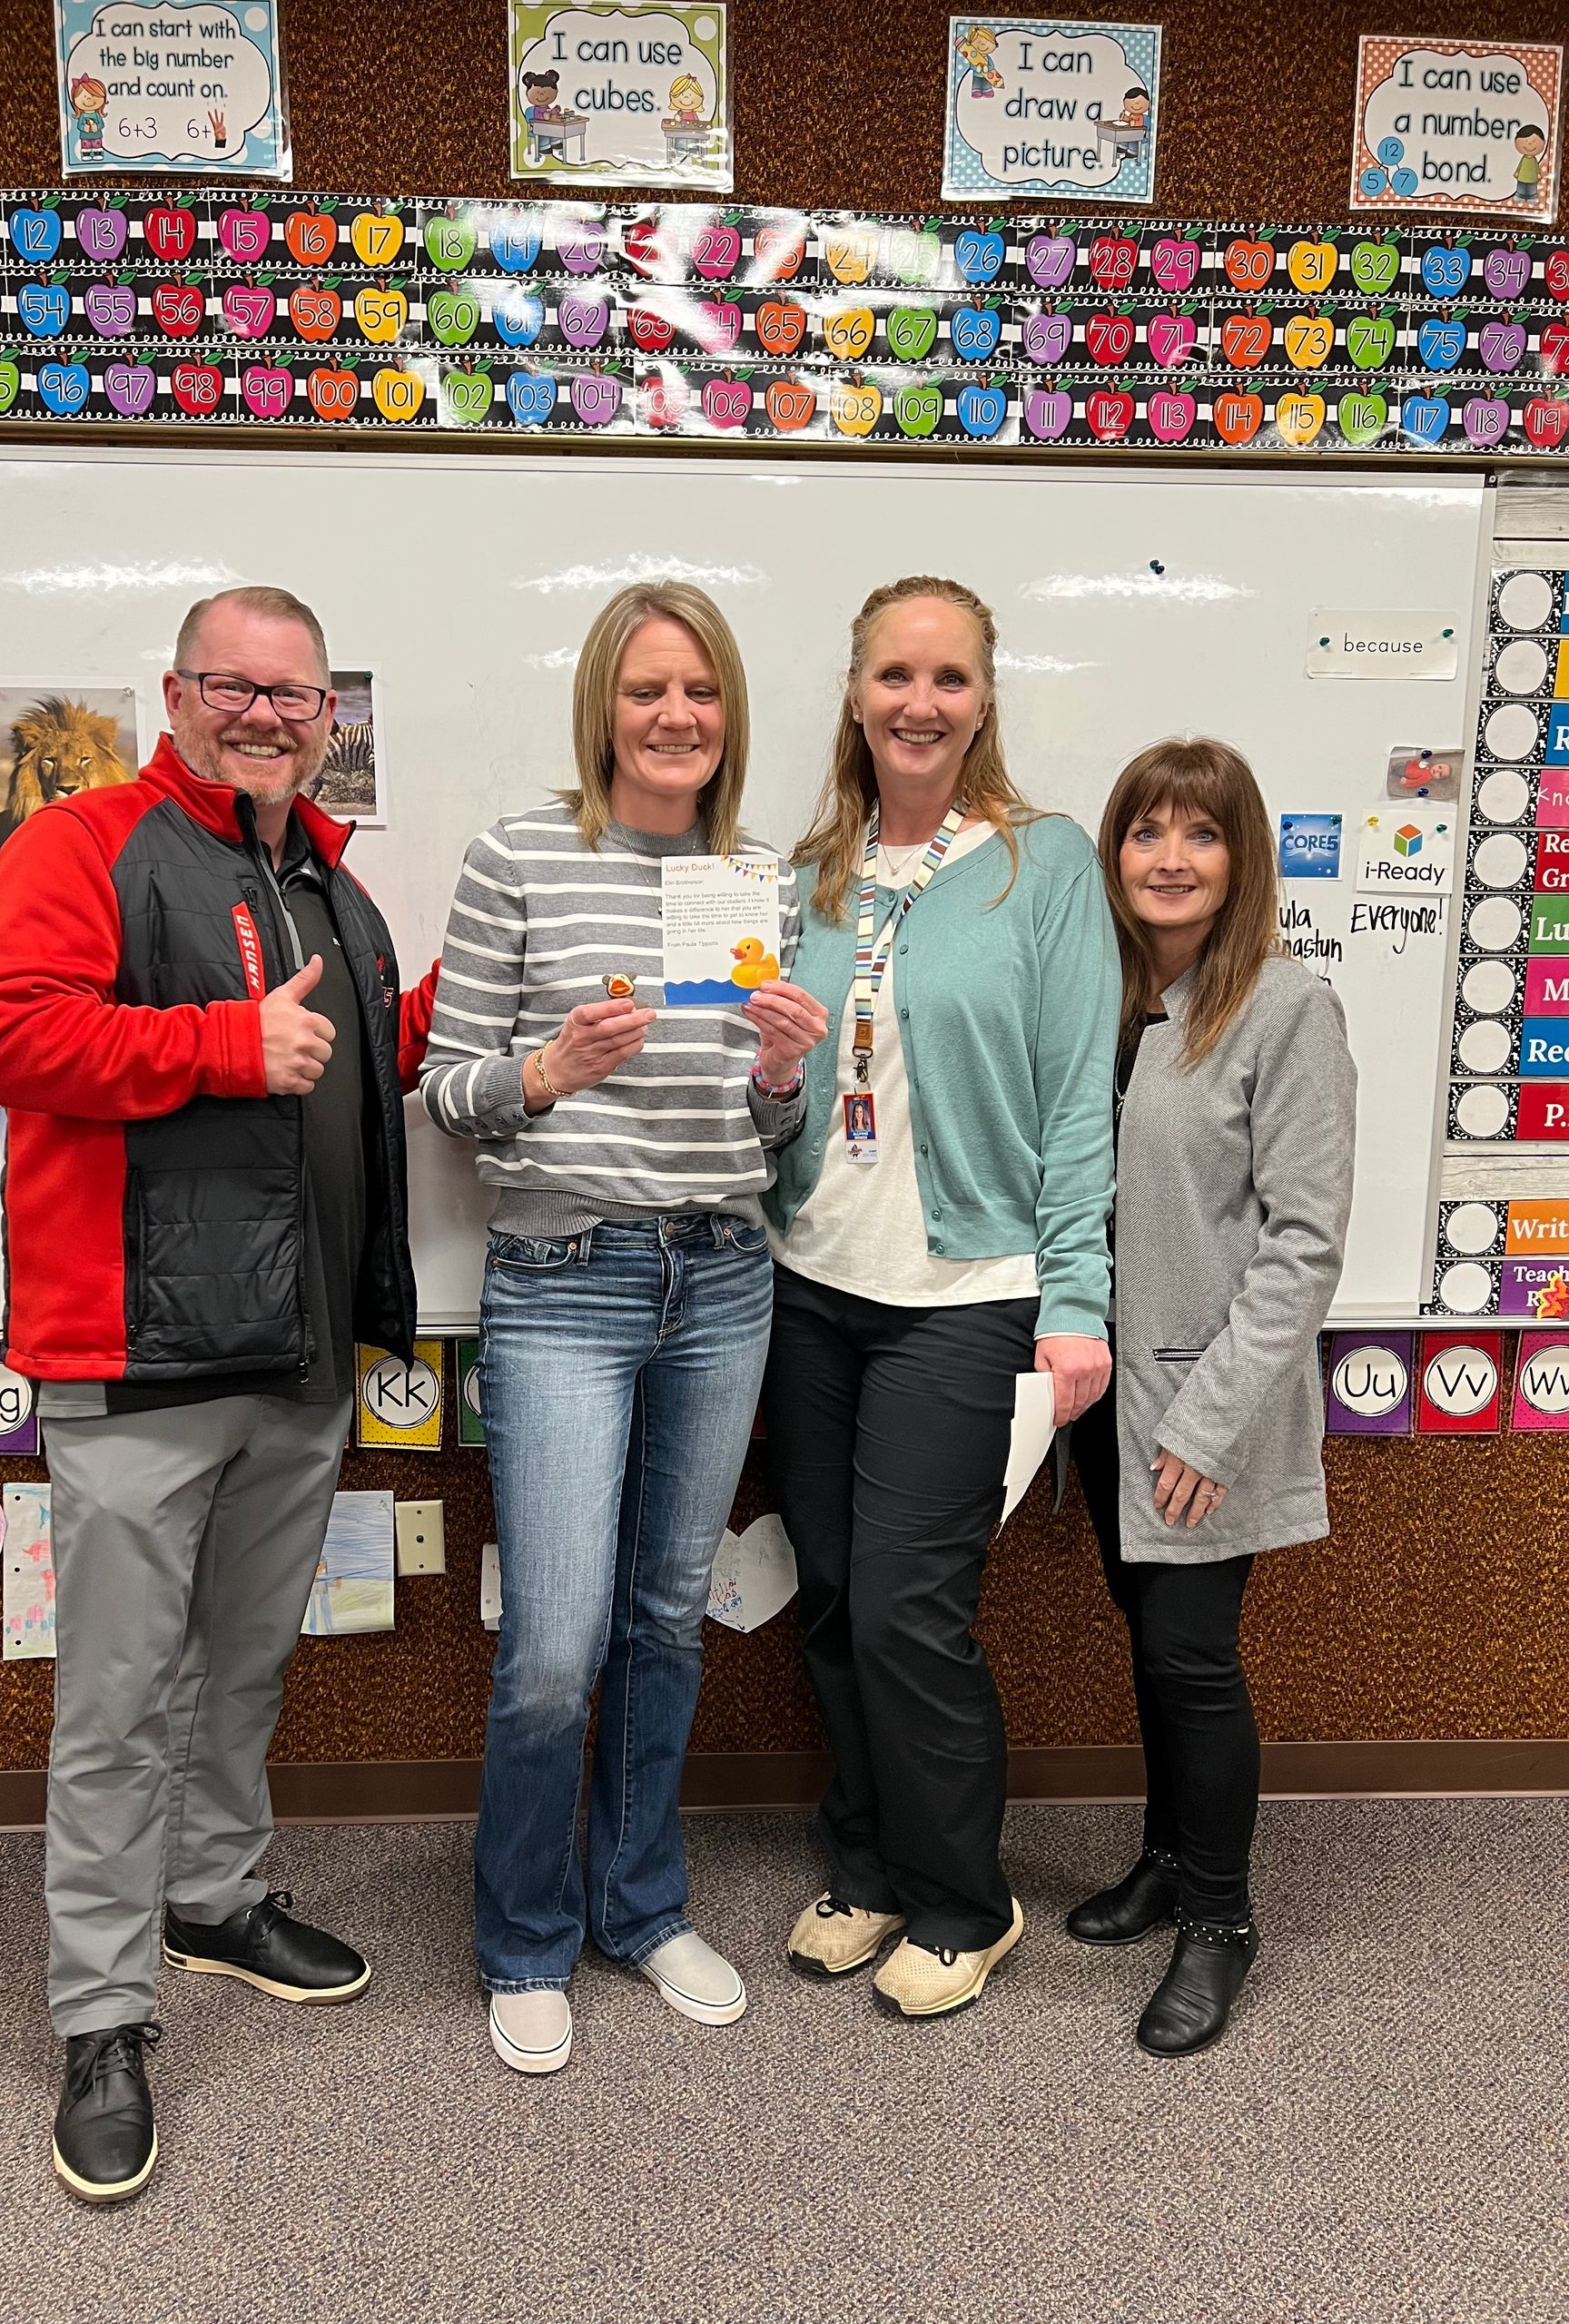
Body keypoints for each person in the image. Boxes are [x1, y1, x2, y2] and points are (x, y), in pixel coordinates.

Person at [0, 586, 438, 2203]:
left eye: (298, 696)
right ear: (178, 691)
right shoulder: (82, 842)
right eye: (238, 686)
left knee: (240, 1670)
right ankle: (100, 2014)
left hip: (294, 1356)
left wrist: (483, 1030)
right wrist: (221, 1049)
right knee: (116, 1706)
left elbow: (353, 1056)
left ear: (326, 717)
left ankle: (213, 1902)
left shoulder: (332, 892)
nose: (269, 715)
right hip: (136, 1359)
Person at [420, 581, 828, 2077]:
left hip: (725, 1275)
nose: (677, 719)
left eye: (702, 693)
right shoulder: (522, 854)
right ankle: (524, 1940)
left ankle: (639, 1906)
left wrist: (785, 1077)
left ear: (729, 714)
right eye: (648, 691)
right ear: (603, 703)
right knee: (552, 1646)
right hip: (565, 1282)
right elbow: (446, 1093)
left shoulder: (759, 874)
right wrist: (545, 1070)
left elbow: (774, 1138)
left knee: (669, 1618)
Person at [760, 575, 1120, 2021]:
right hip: (808, 1283)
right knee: (836, 1595)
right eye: (894, 675)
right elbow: (780, 1095)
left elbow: (1077, 1104)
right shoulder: (805, 877)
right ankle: (867, 1866)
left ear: (985, 699)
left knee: (913, 1606)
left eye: (950, 679)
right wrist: (769, 1081)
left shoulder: (1044, 866)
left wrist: (1077, 1297)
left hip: (968, 1294)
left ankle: (967, 1896)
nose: (920, 703)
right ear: (853, 693)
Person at [1068, 738, 1356, 2056]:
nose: (1168, 859)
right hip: (1109, 1402)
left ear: (1241, 861)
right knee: (1149, 1640)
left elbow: (1304, 1242)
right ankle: (1169, 1860)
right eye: (1145, 832)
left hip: (1205, 1410)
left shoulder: (1285, 1008)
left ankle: (1223, 1922)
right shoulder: (1110, 999)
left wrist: (1206, 1419)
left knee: (1193, 1660)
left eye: (1200, 834)